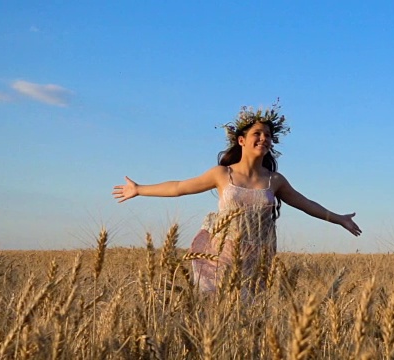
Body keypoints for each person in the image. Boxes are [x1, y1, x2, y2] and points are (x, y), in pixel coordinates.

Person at [112, 101, 361, 292]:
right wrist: (139, 189)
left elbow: (305, 204)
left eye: (268, 135)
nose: (264, 138)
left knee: (247, 311)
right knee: (215, 309)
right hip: (221, 253)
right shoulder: (222, 174)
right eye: (257, 134)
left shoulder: (275, 180)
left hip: (258, 256)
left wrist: (339, 218)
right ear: (241, 140)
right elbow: (179, 187)